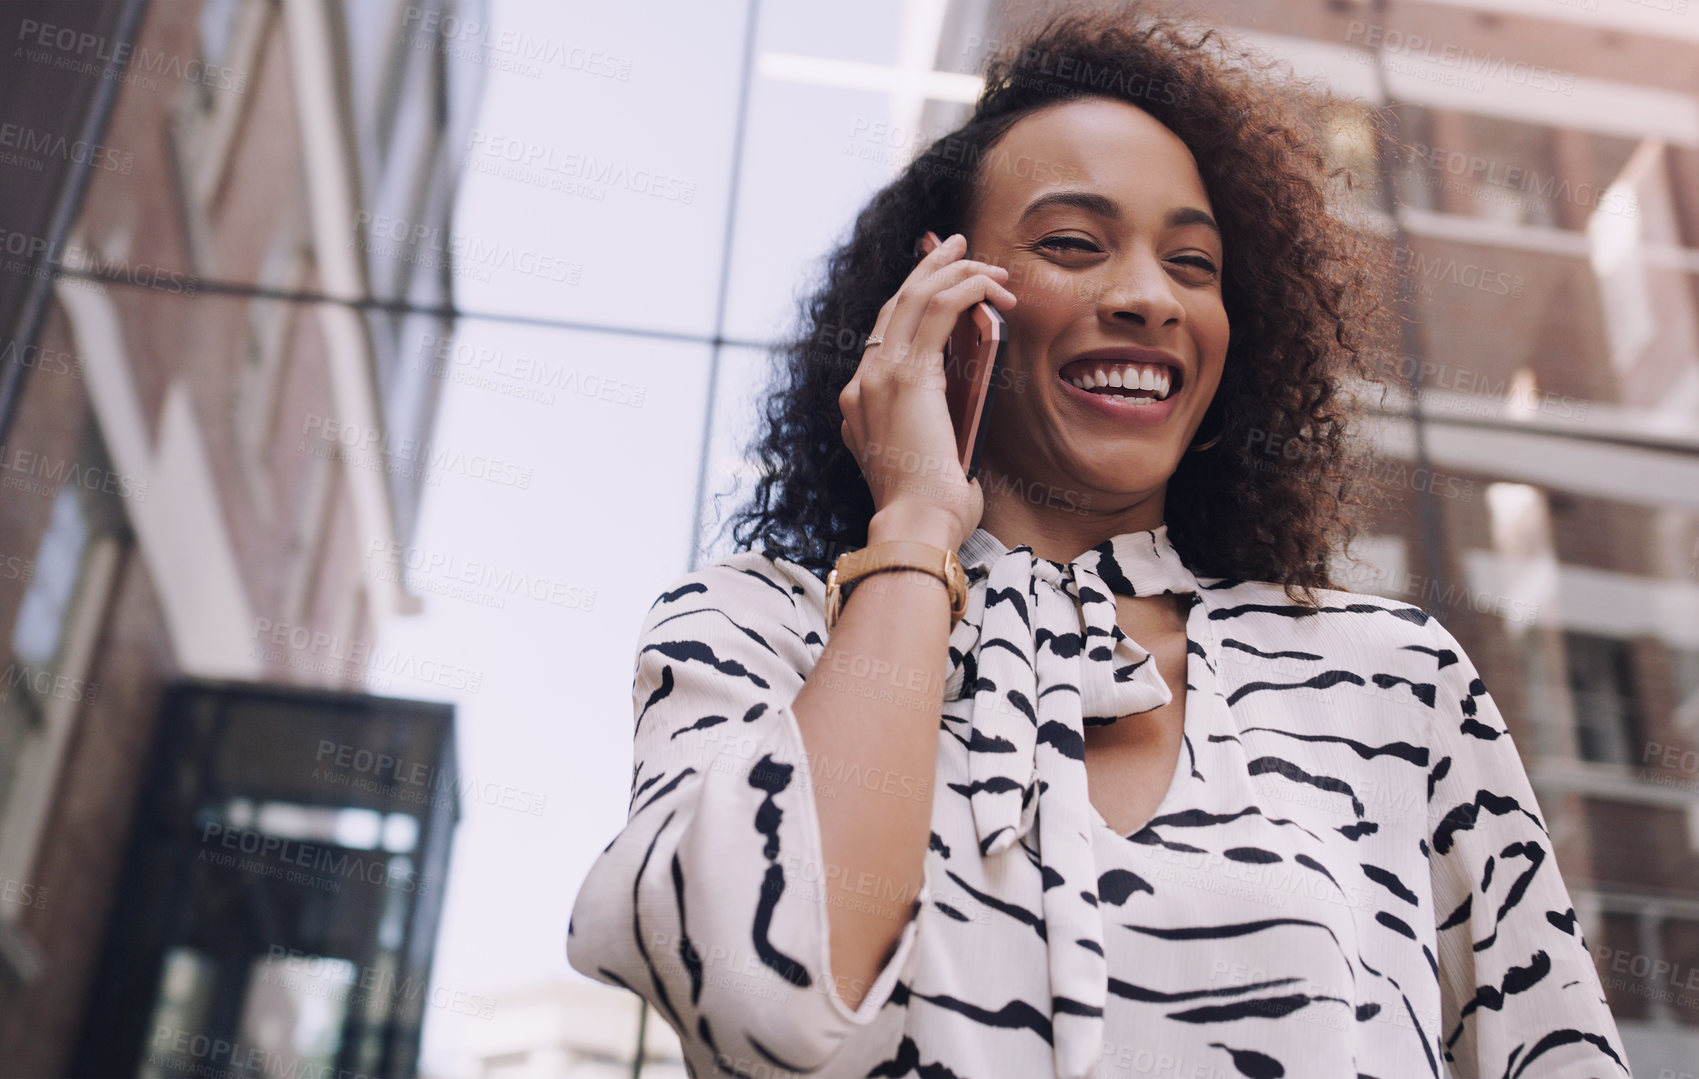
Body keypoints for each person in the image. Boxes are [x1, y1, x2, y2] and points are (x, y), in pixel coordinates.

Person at [567, 7, 1632, 1078]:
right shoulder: (760, 631)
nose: (1145, 298)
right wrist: (918, 524)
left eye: (1193, 263)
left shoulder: (1389, 679)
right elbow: (765, 1002)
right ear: (938, 298)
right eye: (1072, 244)